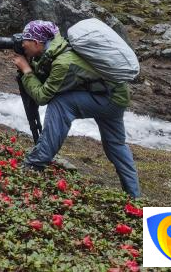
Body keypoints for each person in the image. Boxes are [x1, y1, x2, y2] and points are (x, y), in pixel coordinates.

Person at [10, 19, 141, 198]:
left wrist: (26, 70)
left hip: (107, 98)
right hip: (115, 94)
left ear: (37, 42)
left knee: (61, 104)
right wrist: (32, 65)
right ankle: (134, 195)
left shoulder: (63, 62)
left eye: (25, 40)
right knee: (115, 145)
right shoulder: (57, 48)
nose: (21, 44)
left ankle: (35, 164)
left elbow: (42, 97)